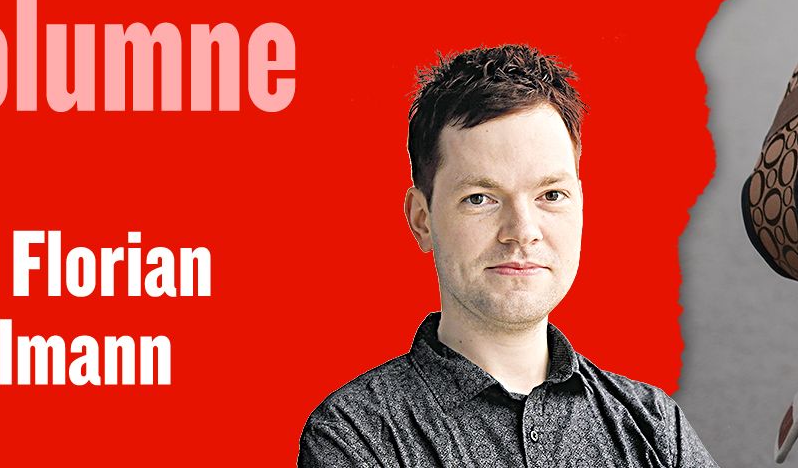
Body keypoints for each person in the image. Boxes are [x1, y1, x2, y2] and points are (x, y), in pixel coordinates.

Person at [301, 46, 712, 468]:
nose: (522, 231)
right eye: (480, 198)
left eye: (550, 195)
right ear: (422, 220)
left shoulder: (654, 424)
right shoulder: (356, 436)